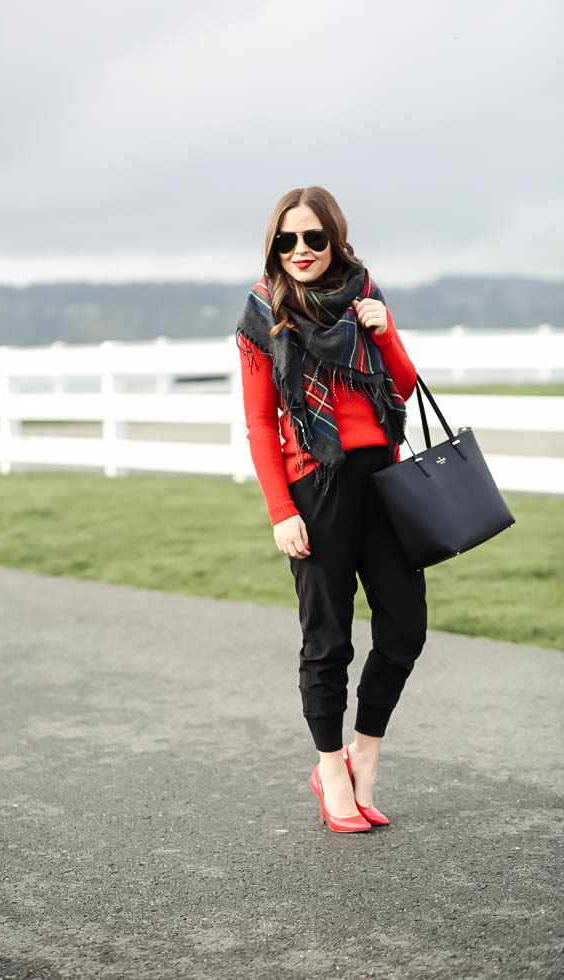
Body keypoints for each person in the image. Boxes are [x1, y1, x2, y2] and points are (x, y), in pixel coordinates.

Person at [235, 186, 427, 833]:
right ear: (274, 246)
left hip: (384, 480)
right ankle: (330, 769)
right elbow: (261, 423)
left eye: (312, 238)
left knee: (403, 628)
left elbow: (401, 384)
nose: (299, 251)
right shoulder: (264, 314)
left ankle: (363, 757)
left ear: (333, 239)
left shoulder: (366, 294)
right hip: (315, 485)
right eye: (286, 240)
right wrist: (279, 510)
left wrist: (385, 332)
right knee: (329, 641)